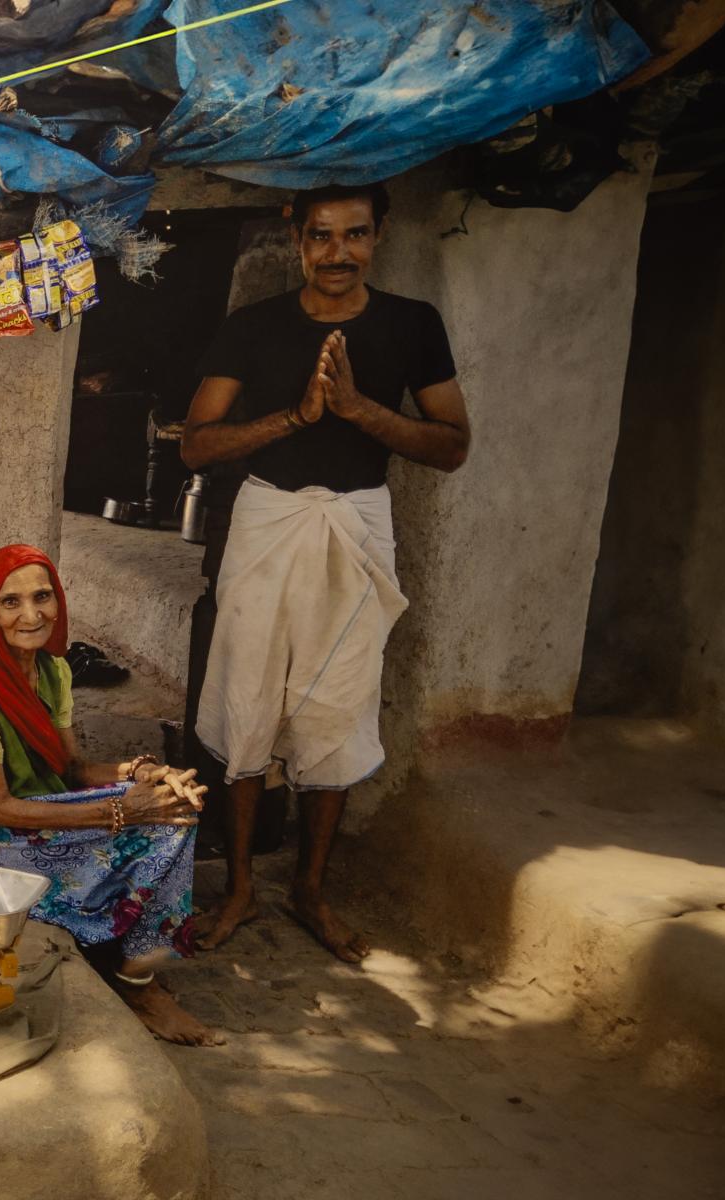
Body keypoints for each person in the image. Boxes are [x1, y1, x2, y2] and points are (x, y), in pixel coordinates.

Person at [179, 182, 471, 962]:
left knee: (338, 706)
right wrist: (296, 418)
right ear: (298, 239)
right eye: (321, 236)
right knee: (248, 696)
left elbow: (451, 445)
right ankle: (239, 886)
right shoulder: (254, 329)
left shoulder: (413, 325)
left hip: (358, 523)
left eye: (354, 235)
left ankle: (311, 890)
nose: (338, 253)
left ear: (378, 237)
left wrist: (357, 409)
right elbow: (197, 445)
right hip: (269, 522)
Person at [0, 545, 221, 1045]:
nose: (31, 615)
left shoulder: (54, 671)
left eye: (42, 597)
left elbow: (73, 769)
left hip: (48, 813)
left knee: (177, 808)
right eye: (10, 602)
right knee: (159, 826)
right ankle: (138, 983)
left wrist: (145, 773)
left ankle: (133, 963)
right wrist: (120, 809)